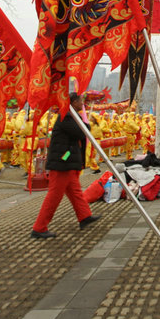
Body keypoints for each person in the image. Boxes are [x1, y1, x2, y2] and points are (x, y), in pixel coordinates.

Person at [30, 92, 100, 239]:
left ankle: (84, 216)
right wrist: (87, 123)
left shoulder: (71, 116)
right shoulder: (66, 116)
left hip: (68, 161)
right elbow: (82, 132)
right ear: (73, 102)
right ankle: (39, 227)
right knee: (54, 196)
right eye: (80, 101)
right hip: (62, 162)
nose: (82, 103)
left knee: (75, 192)